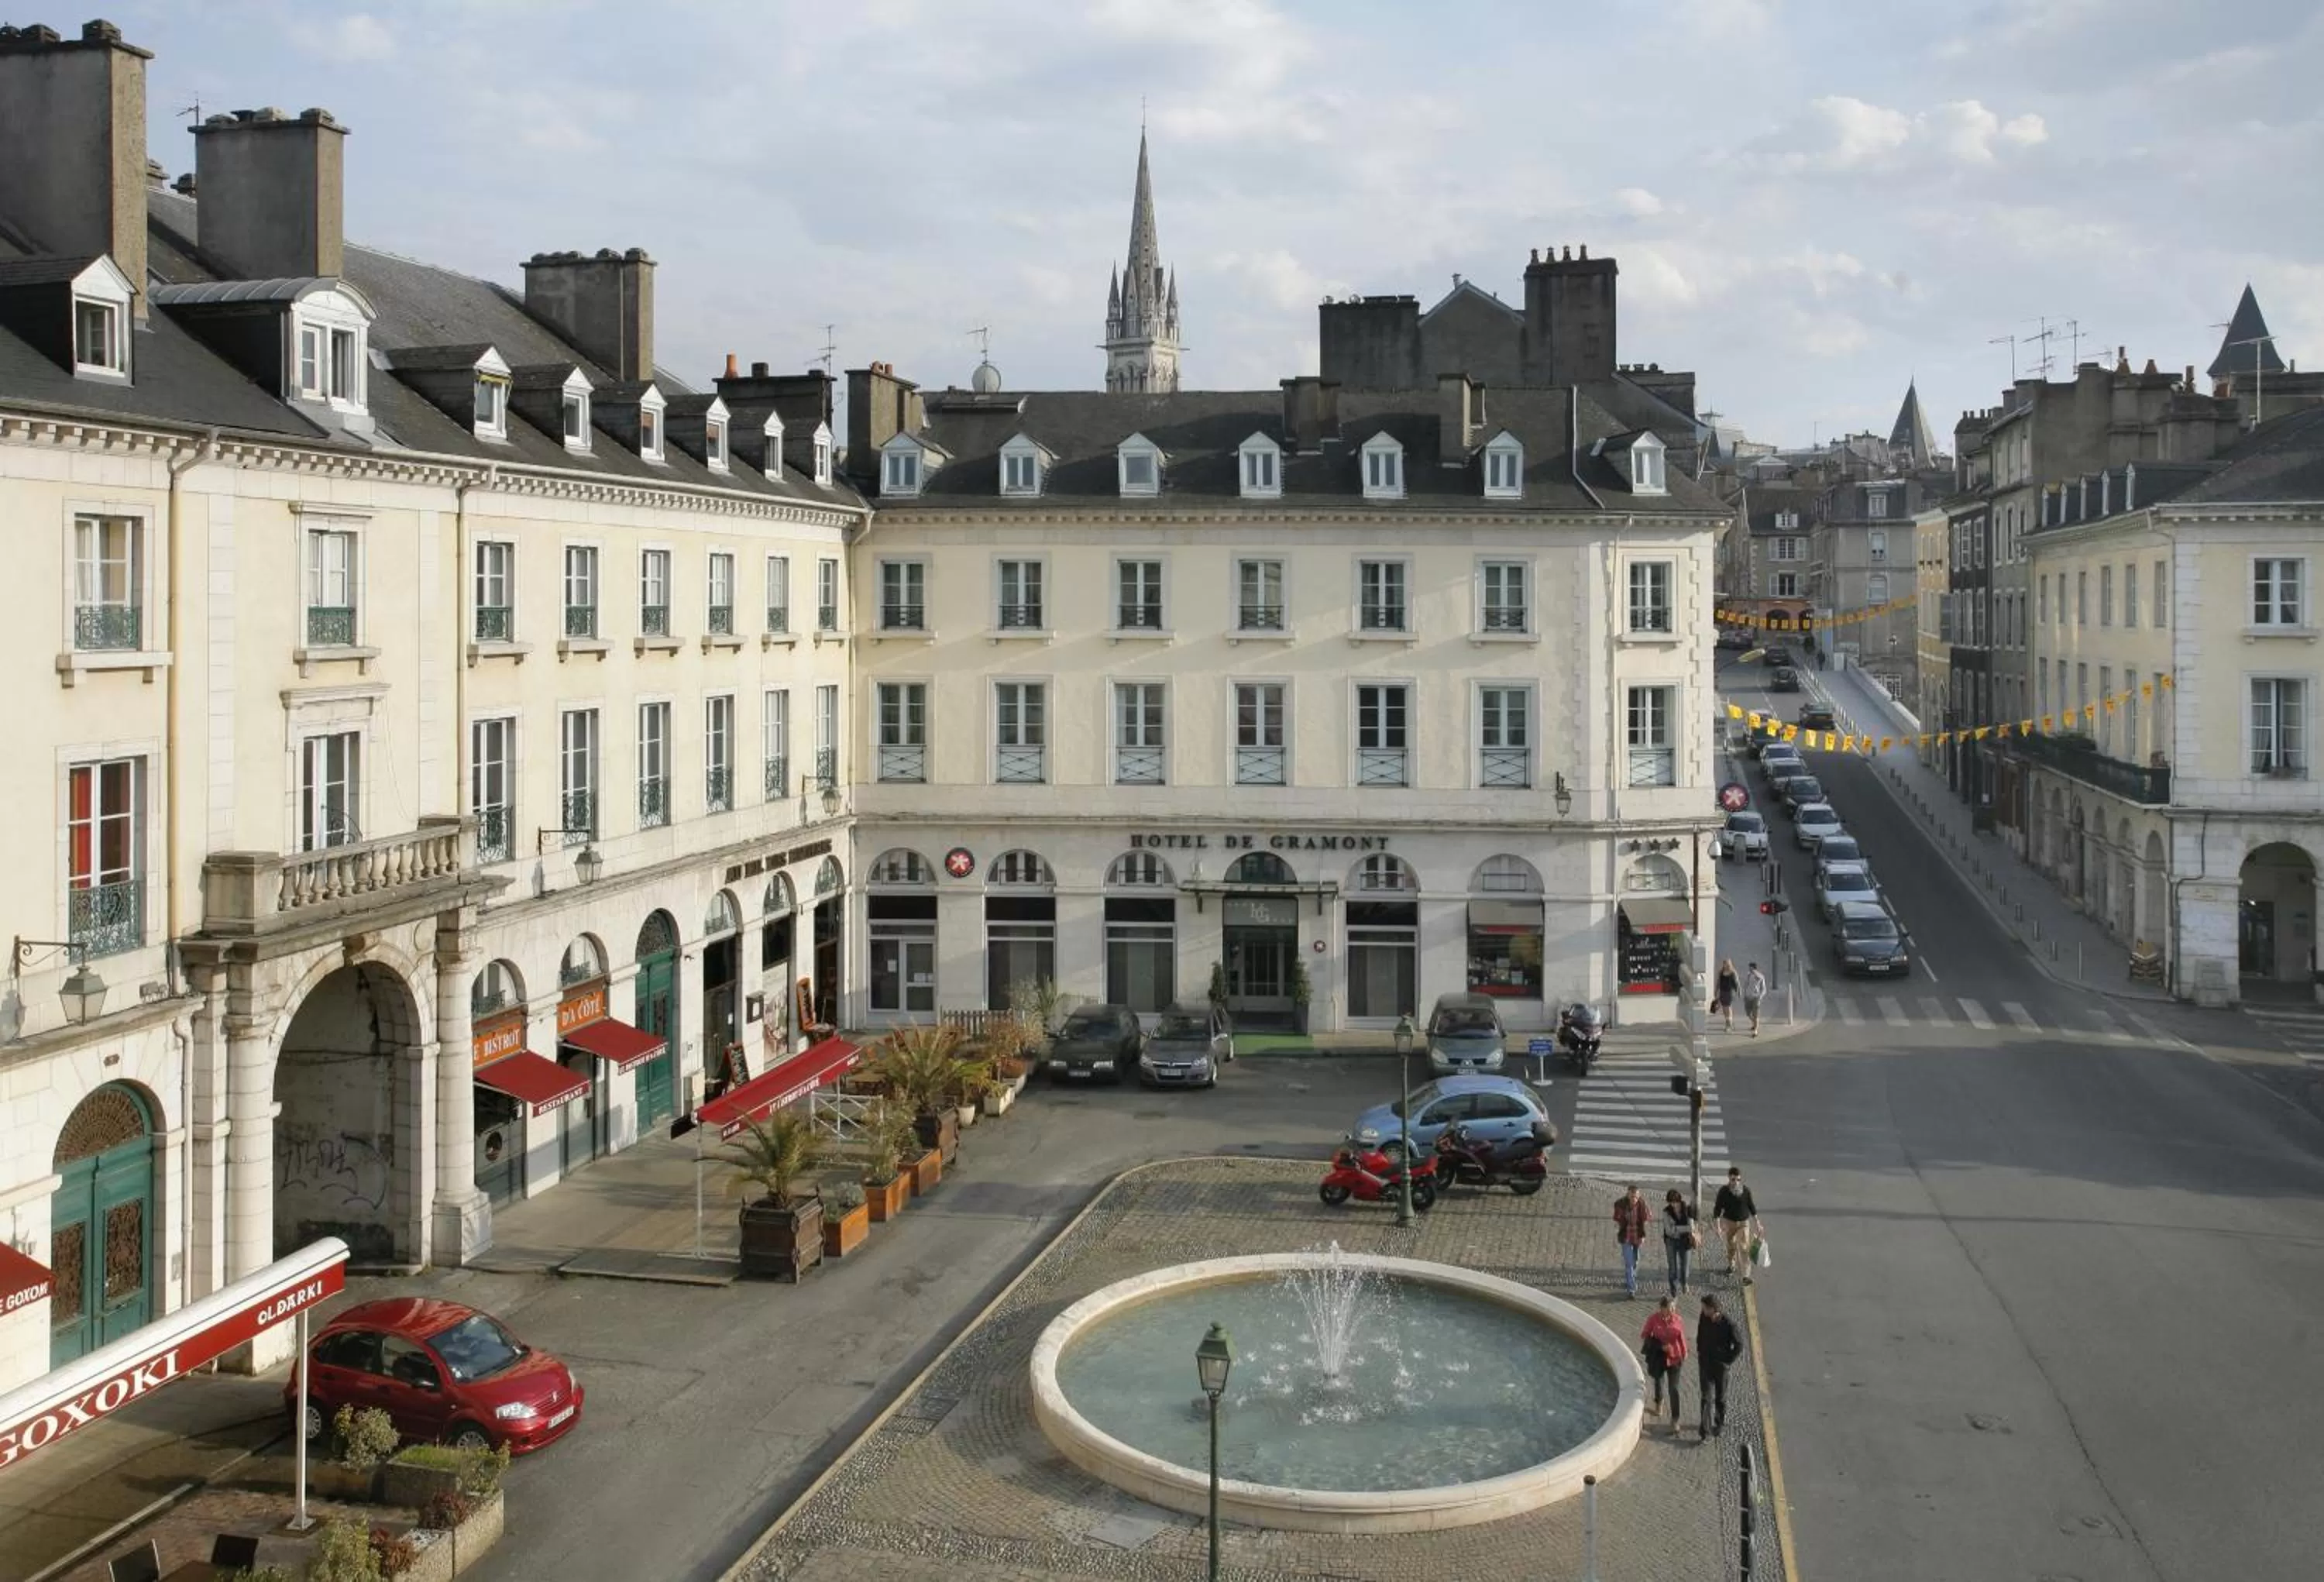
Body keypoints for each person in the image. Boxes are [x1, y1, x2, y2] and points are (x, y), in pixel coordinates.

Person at [1696, 1294, 1744, 1439]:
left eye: (1705, 1308)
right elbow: (1700, 1333)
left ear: (1713, 1309)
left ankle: (1720, 1423)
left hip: (1721, 1367)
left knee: (1720, 1397)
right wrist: (1700, 1349)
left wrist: (1728, 1360)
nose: (1703, 1311)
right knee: (1706, 1397)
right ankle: (1705, 1430)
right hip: (1705, 1363)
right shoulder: (1703, 1317)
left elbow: (1739, 1345)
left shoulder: (1729, 1325)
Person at [1641, 1296, 1688, 1429]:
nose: (1673, 1310)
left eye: (1674, 1307)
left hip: (1674, 1357)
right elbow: (1645, 1335)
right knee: (1658, 1381)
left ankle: (1675, 1419)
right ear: (1662, 1308)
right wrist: (1660, 1346)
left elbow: (1681, 1337)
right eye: (1670, 1308)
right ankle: (1659, 1403)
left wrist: (1684, 1352)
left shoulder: (1678, 1319)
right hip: (1658, 1356)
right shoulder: (1653, 1319)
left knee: (1674, 1388)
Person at [1714, 1166, 1758, 1281]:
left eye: (1738, 1180)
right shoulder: (1724, 1191)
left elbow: (1751, 1207)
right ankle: (1731, 1264)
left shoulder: (1746, 1191)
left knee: (1744, 1248)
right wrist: (1718, 1227)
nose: (1736, 1182)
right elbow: (1717, 1209)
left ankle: (1746, 1275)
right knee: (1731, 1245)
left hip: (1743, 1222)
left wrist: (1757, 1222)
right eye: (1733, 1180)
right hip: (1729, 1222)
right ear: (1729, 1178)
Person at [1612, 1185, 1651, 1298]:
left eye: (1636, 1197)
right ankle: (1631, 1289)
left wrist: (1643, 1234)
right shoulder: (1621, 1204)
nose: (1634, 1199)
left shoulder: (1642, 1205)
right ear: (1628, 1195)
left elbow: (1647, 1218)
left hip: (1637, 1236)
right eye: (1632, 1196)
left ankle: (1630, 1276)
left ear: (1639, 1197)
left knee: (1636, 1260)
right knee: (1629, 1263)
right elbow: (1616, 1217)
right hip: (1626, 1237)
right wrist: (1620, 1219)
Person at [1662, 1188, 1698, 1297]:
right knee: (1672, 1267)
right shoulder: (1666, 1212)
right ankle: (1673, 1288)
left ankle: (1684, 1283)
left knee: (1685, 1266)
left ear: (1679, 1201)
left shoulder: (1687, 1209)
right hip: (1671, 1241)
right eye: (1671, 1203)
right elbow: (1669, 1231)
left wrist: (1677, 1228)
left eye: (1675, 1202)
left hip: (1685, 1241)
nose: (1674, 1205)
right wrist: (1684, 1228)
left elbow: (1691, 1227)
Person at [1742, 961, 1768, 1037]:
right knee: (1748, 1014)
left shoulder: (1760, 977)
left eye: (1751, 967)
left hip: (1756, 997)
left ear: (1753, 968)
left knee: (1756, 1015)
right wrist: (1744, 995)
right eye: (1749, 968)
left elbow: (1764, 989)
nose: (1750, 969)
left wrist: (1760, 997)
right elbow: (1746, 985)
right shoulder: (1749, 975)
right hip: (1748, 997)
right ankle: (1755, 1024)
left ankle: (1755, 1030)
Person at [1716, 958, 1741, 1032]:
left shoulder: (1733, 973)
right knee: (1724, 1007)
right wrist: (1716, 990)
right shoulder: (1721, 972)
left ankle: (1729, 1025)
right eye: (1724, 963)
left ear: (1730, 964)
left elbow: (1737, 983)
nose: (1726, 965)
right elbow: (1718, 982)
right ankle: (1728, 1021)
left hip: (1730, 992)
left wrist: (1739, 991)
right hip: (1722, 991)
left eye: (1727, 964)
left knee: (1728, 1007)